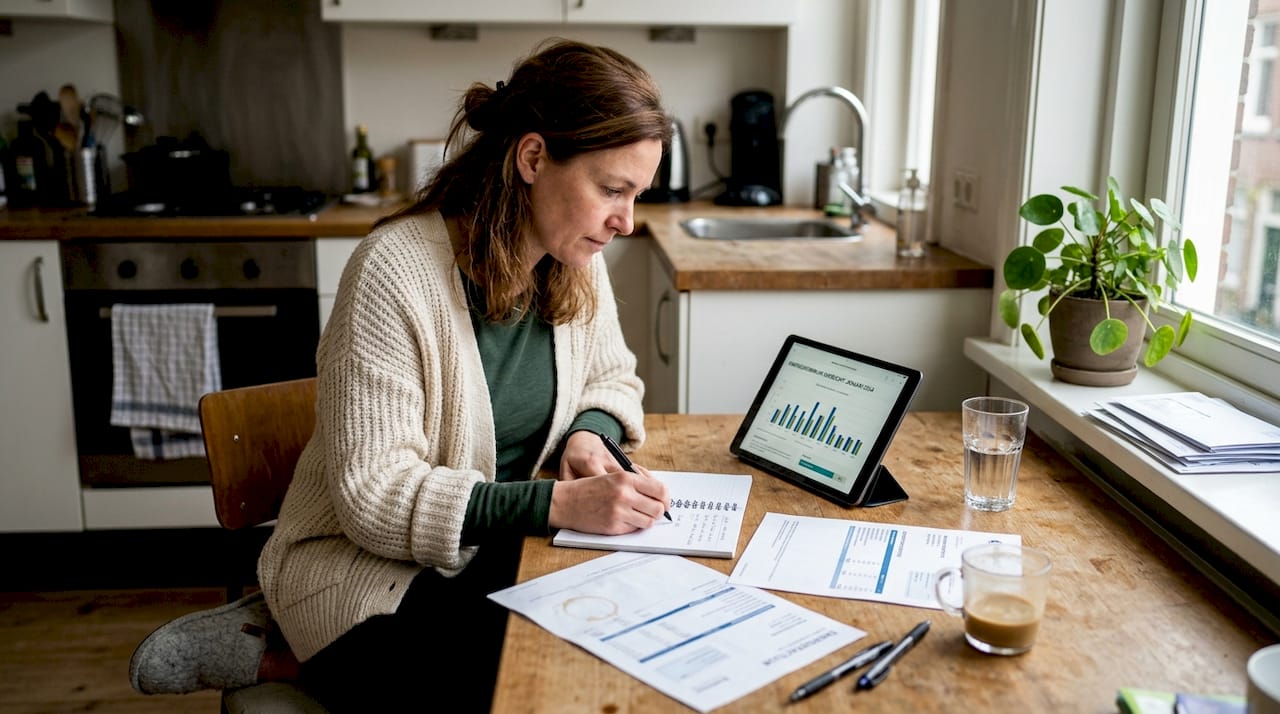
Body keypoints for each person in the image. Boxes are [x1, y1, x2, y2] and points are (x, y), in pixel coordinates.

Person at [129, 37, 673, 712]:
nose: (626, 221)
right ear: (533, 158)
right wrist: (555, 505)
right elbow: (374, 497)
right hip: (363, 570)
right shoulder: (393, 272)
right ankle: (282, 649)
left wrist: (586, 435)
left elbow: (612, 378)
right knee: (520, 687)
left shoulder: (575, 260)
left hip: (488, 551)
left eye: (635, 194)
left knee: (608, 641)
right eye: (612, 190)